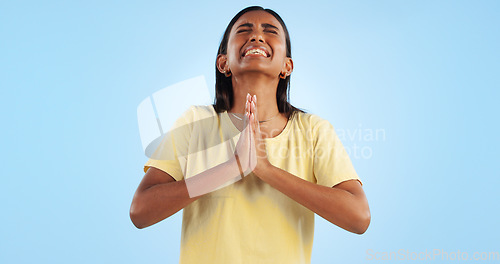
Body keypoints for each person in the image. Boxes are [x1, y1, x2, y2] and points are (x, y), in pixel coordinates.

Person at [130, 6, 370, 264]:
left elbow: (358, 216)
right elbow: (140, 211)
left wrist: (267, 170)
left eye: (270, 31)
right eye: (244, 30)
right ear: (223, 63)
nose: (256, 36)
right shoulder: (195, 123)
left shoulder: (314, 130)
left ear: (286, 66)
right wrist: (231, 168)